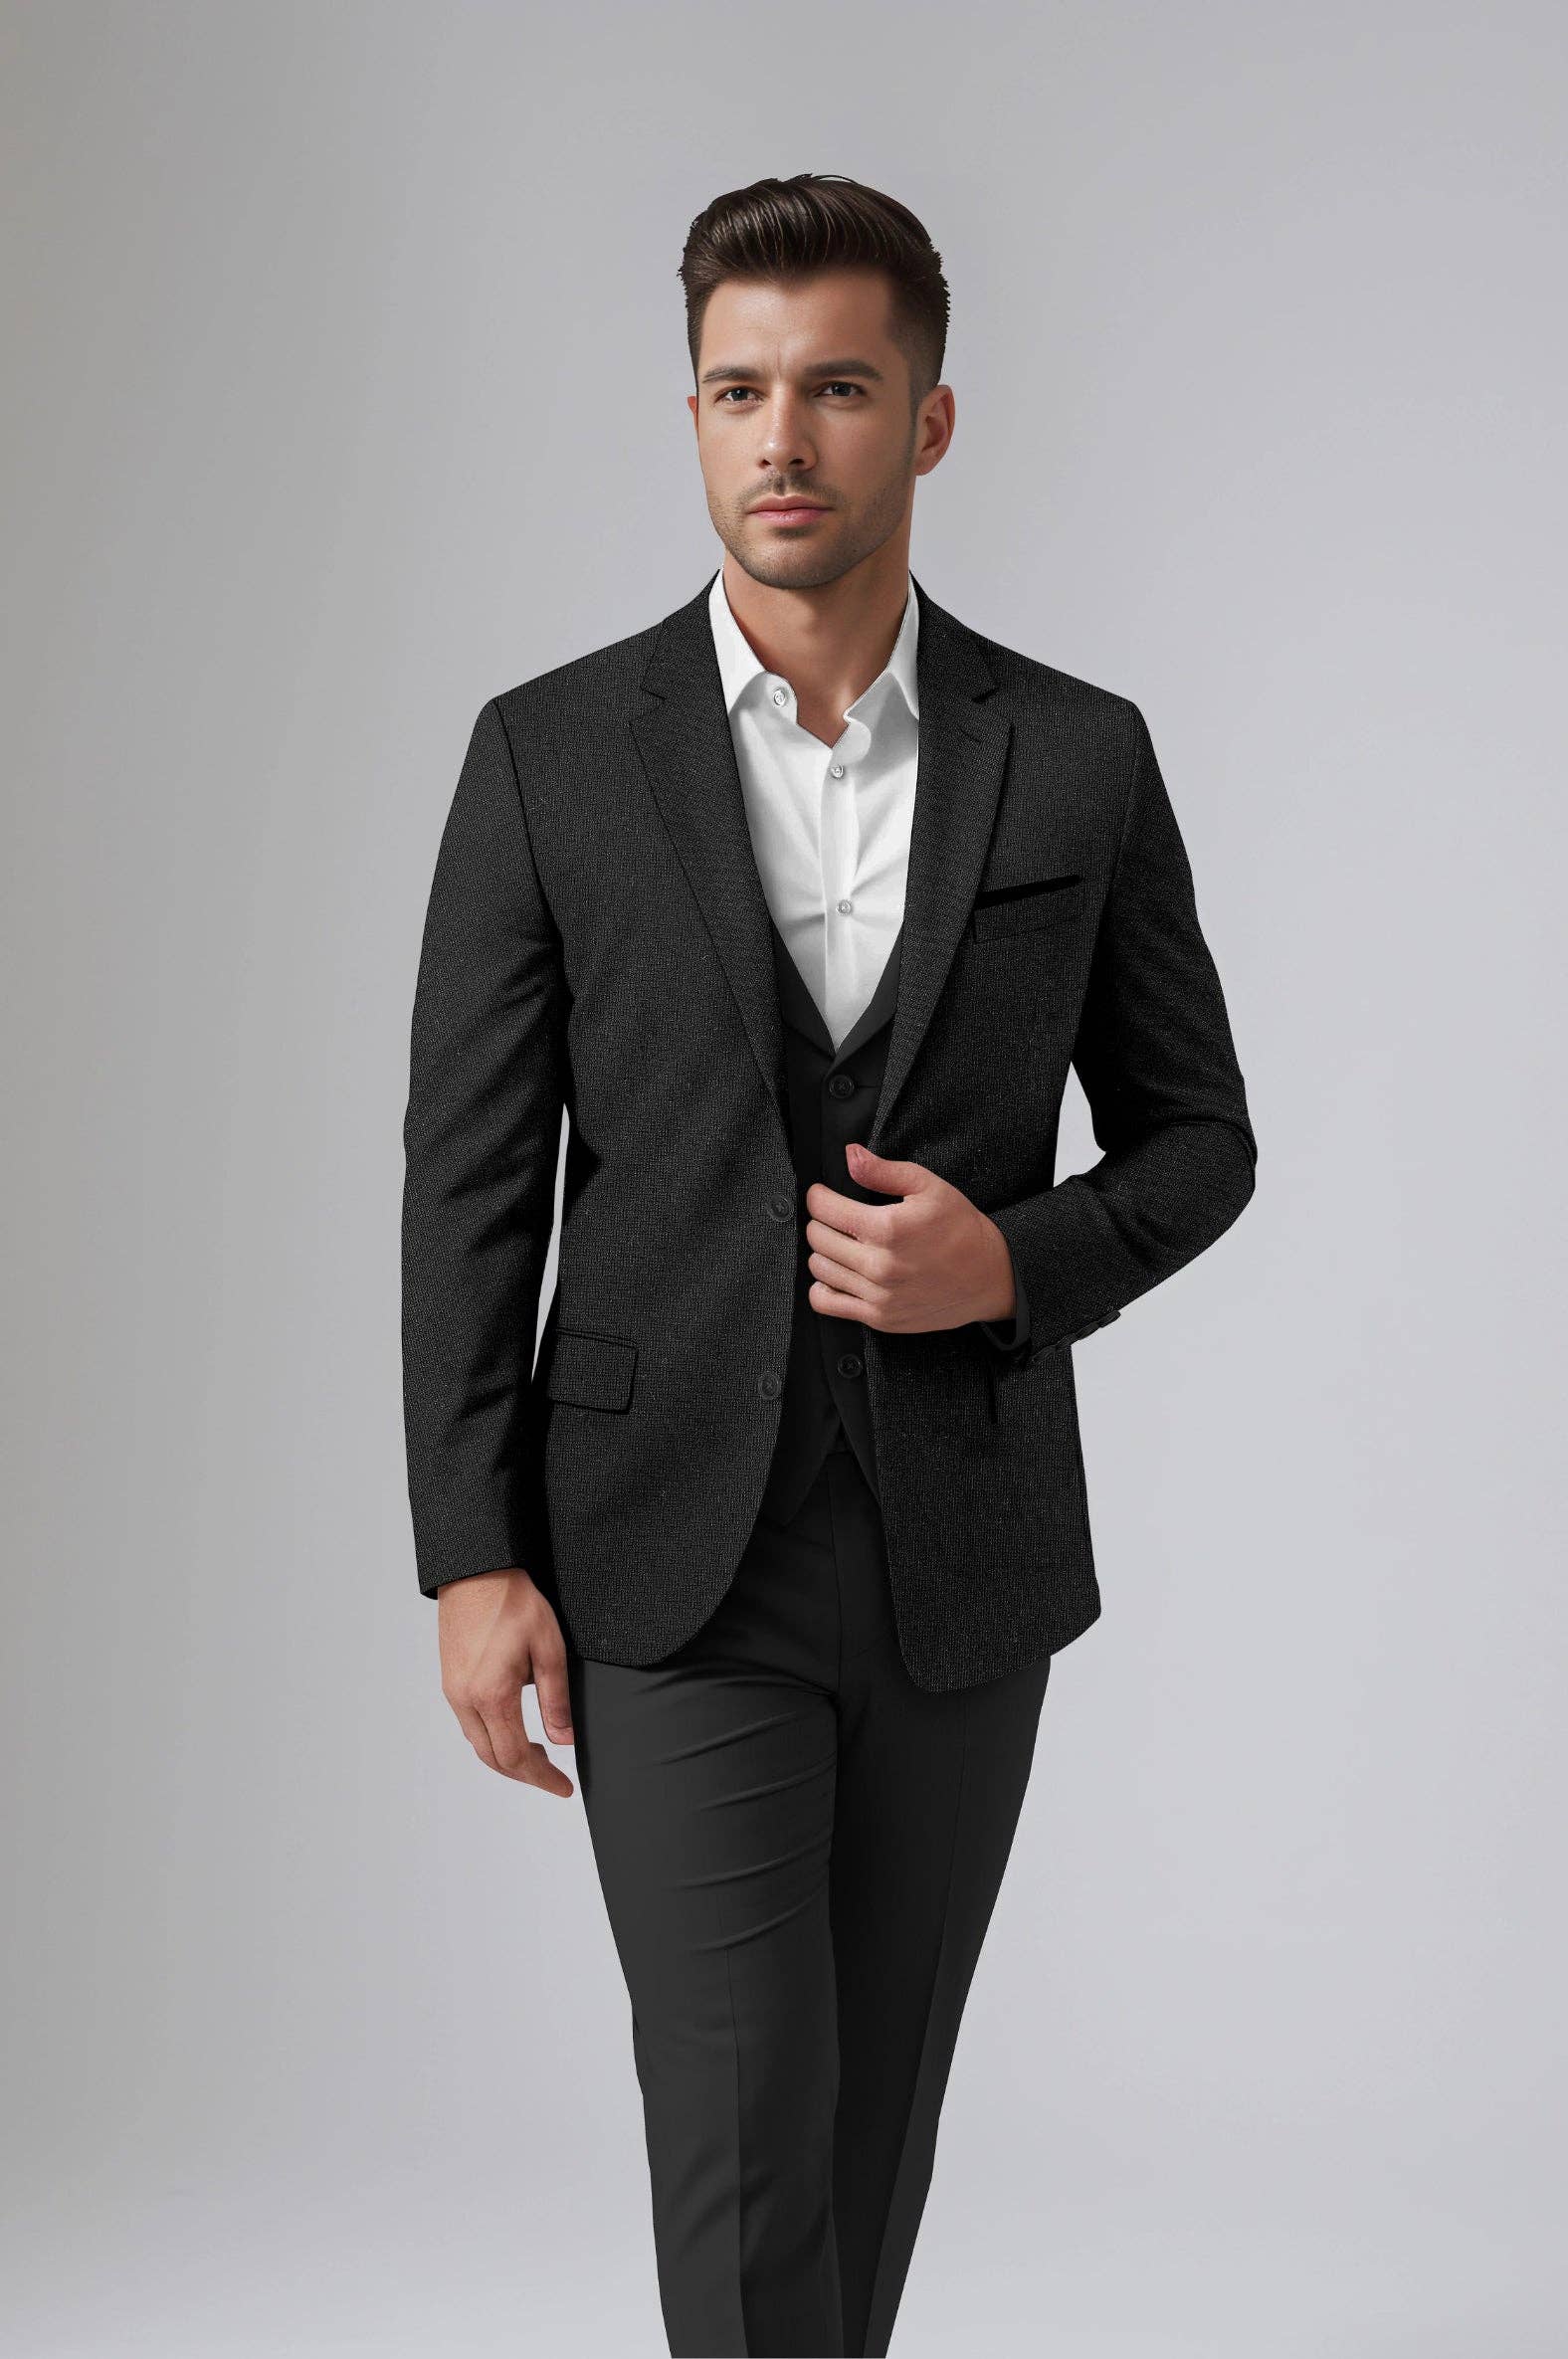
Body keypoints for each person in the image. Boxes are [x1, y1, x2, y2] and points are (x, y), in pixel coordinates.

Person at [401, 170, 1257, 2358]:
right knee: (743, 2124)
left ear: (928, 421)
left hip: (963, 1551)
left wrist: (1011, 1263)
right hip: (665, 1546)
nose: (780, 439)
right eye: (736, 391)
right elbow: (471, 1184)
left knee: (870, 2136)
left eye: (838, 390)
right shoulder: (548, 756)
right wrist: (469, 1552)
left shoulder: (1073, 753)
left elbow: (1200, 1142)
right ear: (693, 412)